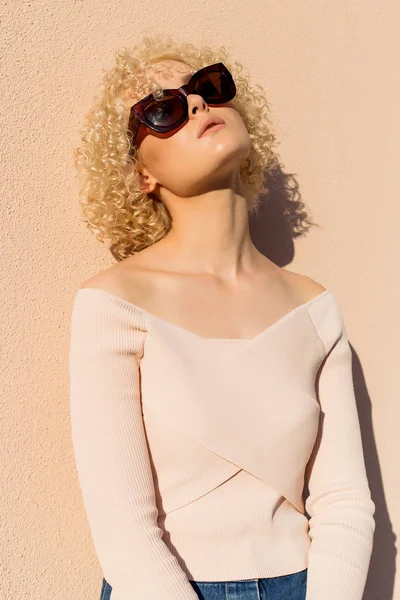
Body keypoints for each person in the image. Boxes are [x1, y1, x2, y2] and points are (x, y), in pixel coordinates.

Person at [69, 33, 375, 600]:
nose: (196, 104)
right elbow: (123, 533)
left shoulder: (314, 307)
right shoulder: (113, 303)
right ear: (140, 175)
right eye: (161, 110)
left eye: (208, 86)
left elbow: (344, 502)